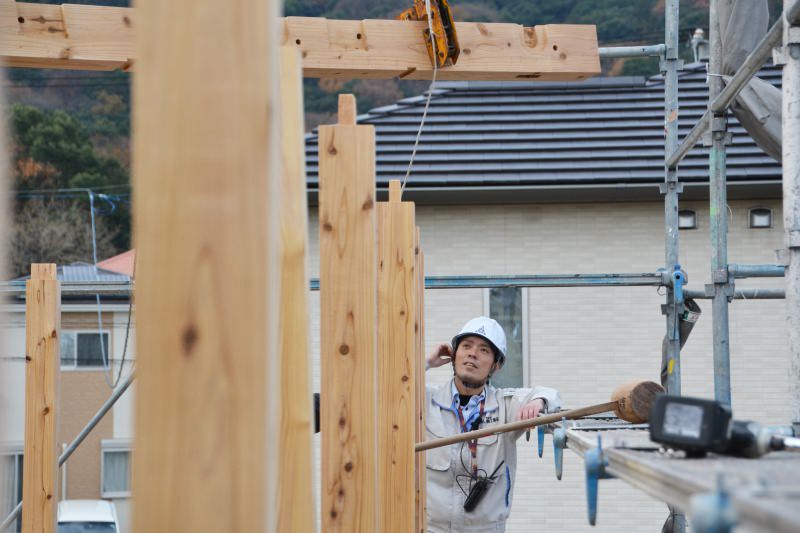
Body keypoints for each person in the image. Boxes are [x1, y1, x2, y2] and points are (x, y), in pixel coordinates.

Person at [424, 316, 561, 532]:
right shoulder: (426, 400)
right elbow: (390, 389)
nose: (472, 353)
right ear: (453, 355)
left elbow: (551, 395)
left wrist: (538, 401)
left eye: (484, 350)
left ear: (496, 365)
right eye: (466, 346)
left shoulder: (505, 405)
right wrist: (426, 362)